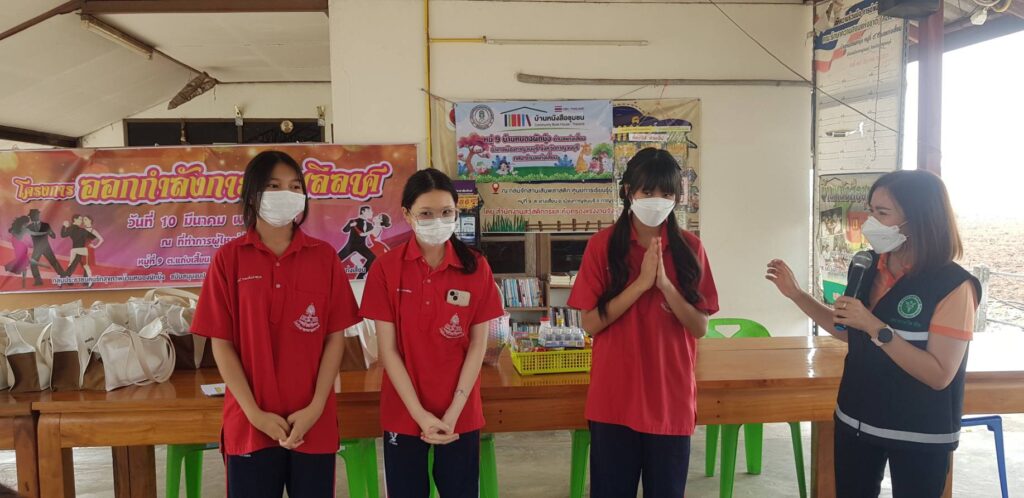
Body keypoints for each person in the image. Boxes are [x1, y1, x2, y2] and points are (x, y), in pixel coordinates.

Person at [767, 170, 980, 498]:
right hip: (856, 420)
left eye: (882, 213)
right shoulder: (866, 264)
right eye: (870, 210)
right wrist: (796, 294)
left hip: (918, 432)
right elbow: (847, 331)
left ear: (918, 220)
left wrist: (875, 327)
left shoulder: (953, 286)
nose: (870, 222)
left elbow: (939, 374)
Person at [191, 150, 360, 498]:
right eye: (274, 185)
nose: (287, 193)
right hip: (250, 423)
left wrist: (316, 407)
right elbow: (221, 343)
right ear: (253, 195)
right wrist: (255, 414)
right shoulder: (229, 259)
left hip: (312, 423)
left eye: (295, 186)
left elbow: (335, 338)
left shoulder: (324, 257)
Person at [567, 148, 719, 497]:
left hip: (670, 399)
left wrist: (664, 285)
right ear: (628, 192)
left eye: (666, 193)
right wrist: (640, 285)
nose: (657, 200)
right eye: (647, 191)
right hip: (614, 400)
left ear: (677, 197)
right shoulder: (602, 246)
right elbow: (590, 324)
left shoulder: (690, 248)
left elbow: (700, 327)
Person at [360, 169, 504, 498]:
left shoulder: (476, 266)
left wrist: (453, 412)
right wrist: (420, 415)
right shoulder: (386, 268)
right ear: (407, 214)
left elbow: (478, 345)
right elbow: (388, 350)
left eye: (446, 212)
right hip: (403, 411)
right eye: (426, 213)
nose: (437, 220)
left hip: (460, 413)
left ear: (456, 212)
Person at [337, 205, 376, 278]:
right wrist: (350, 225)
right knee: (336, 259)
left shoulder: (370, 225)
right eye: (369, 211)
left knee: (372, 257)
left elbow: (370, 236)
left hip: (362, 246)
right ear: (363, 212)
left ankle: (360, 277)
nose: (371, 212)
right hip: (350, 245)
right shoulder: (353, 221)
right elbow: (345, 230)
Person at [26, 208, 63, 286]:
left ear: (37, 216)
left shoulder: (45, 225)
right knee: (33, 264)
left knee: (54, 262)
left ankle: (64, 278)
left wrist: (50, 233)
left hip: (46, 247)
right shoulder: (29, 226)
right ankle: (38, 281)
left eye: (32, 216)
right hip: (37, 248)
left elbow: (53, 236)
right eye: (30, 216)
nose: (31, 217)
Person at [61, 214, 97, 282]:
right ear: (75, 219)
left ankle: (65, 279)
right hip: (82, 250)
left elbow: (63, 235)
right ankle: (85, 281)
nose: (81, 221)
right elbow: (93, 237)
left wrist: (64, 226)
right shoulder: (82, 230)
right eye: (80, 219)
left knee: (74, 265)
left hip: (76, 249)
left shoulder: (72, 228)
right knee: (83, 266)